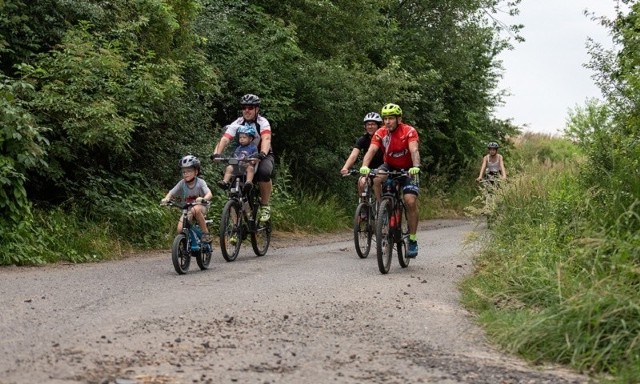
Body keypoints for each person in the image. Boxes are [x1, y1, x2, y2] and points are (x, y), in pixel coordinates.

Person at [359, 103, 421, 258]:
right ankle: (382, 209)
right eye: (385, 118)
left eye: (391, 118)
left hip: (408, 168)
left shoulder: (409, 131)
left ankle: (412, 239)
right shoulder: (381, 132)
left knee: (410, 201)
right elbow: (371, 150)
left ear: (399, 119)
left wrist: (416, 166)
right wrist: (365, 166)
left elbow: (414, 149)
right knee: (376, 178)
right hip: (389, 165)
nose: (387, 122)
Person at [212, 94, 274, 223]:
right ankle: (236, 224)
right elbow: (224, 139)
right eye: (244, 107)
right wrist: (216, 154)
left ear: (257, 109)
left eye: (250, 107)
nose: (247, 110)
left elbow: (266, 139)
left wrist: (262, 153)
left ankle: (265, 205)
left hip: (262, 153)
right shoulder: (238, 123)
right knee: (234, 189)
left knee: (264, 172)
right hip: (242, 156)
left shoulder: (263, 122)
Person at [161, 155, 214, 243]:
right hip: (187, 210)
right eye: (184, 172)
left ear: (196, 172)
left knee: (196, 209)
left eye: (189, 171)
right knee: (180, 230)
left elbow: (209, 194)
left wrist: (203, 198)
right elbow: (171, 192)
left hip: (201, 207)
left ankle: (205, 233)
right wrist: (166, 199)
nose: (186, 174)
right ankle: (186, 246)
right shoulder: (182, 183)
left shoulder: (200, 182)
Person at [340, 112, 385, 198]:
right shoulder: (363, 139)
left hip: (384, 169)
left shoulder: (384, 138)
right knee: (362, 182)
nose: (370, 126)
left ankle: (382, 206)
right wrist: (345, 167)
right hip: (368, 169)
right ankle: (364, 206)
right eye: (368, 124)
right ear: (365, 126)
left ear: (378, 126)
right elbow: (353, 155)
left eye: (373, 124)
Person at [216, 125, 259, 193]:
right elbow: (235, 156)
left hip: (246, 165)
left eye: (244, 137)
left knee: (250, 168)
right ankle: (225, 182)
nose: (241, 139)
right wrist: (229, 159)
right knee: (229, 168)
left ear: (250, 139)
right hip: (237, 165)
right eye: (240, 137)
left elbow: (255, 157)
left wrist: (252, 161)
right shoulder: (238, 148)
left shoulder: (253, 147)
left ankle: (248, 182)